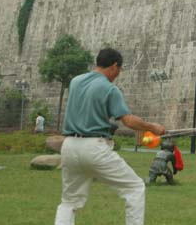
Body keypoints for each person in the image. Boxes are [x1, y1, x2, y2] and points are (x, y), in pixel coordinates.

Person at [54, 48, 165, 225]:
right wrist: (153, 127)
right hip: (94, 148)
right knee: (135, 188)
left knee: (69, 202)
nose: (118, 75)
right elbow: (128, 121)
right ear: (114, 66)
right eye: (119, 70)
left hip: (68, 146)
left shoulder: (75, 82)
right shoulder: (110, 89)